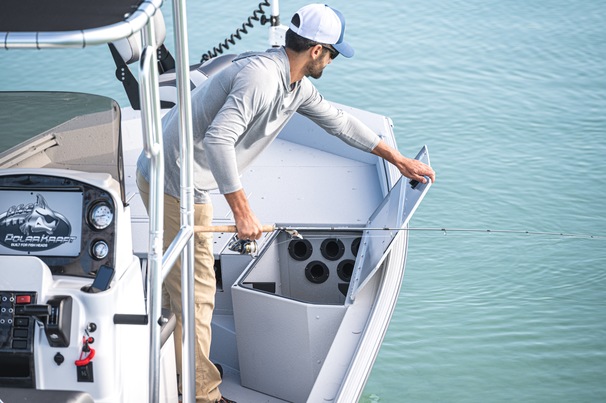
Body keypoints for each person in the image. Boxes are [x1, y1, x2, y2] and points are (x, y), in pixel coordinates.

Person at [136, 3, 435, 403]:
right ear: (316, 50)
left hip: (173, 176)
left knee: (180, 286)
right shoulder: (261, 79)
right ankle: (201, 393)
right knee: (197, 291)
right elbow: (219, 140)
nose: (332, 61)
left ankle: (181, 363)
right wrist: (242, 211)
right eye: (332, 53)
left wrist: (397, 160)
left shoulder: (293, 85)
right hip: (176, 184)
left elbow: (339, 121)